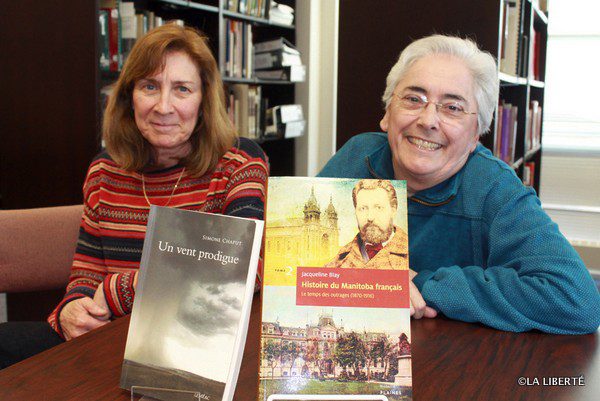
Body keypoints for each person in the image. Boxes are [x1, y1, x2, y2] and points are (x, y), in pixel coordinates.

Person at [0, 24, 268, 368]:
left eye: (182, 89)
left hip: (193, 345)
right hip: (109, 338)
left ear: (204, 100)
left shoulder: (239, 163)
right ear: (129, 96)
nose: (163, 106)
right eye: (150, 86)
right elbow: (87, 270)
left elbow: (243, 270)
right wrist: (73, 307)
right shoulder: (104, 170)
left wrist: (120, 291)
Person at [318, 34, 600, 334]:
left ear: (475, 135)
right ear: (387, 113)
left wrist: (423, 283)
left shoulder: (495, 189)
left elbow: (576, 300)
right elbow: (288, 258)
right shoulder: (356, 157)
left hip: (462, 367)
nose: (428, 120)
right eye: (414, 99)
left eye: (452, 108)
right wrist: (377, 277)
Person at [324, 179, 408, 269]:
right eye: (363, 208)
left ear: (393, 209)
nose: (370, 217)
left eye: (378, 207)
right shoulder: (336, 263)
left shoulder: (409, 254)